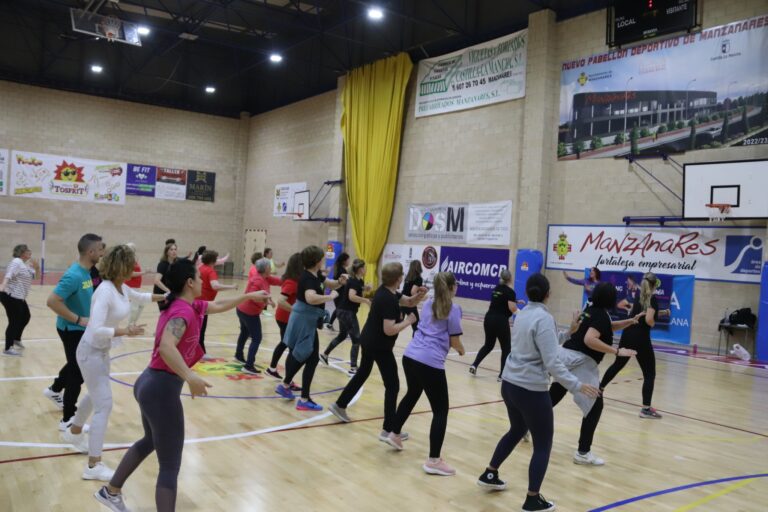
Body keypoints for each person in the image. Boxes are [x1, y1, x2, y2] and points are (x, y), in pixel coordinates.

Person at [94, 258, 268, 512]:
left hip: (150, 384)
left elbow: (218, 304)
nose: (202, 281)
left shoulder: (189, 305)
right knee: (170, 465)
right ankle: (114, 492)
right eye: (198, 277)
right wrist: (190, 376)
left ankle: (110, 491)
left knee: (150, 441)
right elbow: (166, 347)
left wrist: (249, 295)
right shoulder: (182, 311)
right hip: (161, 389)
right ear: (189, 282)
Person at [476, 274, 601, 512]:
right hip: (530, 389)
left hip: (509, 384)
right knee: (543, 444)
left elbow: (544, 345)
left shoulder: (522, 314)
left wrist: (569, 332)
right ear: (548, 294)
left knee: (516, 430)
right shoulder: (544, 318)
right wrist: (576, 384)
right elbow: (552, 362)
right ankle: (532, 499)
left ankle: (490, 474)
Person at [60, 245, 166, 481]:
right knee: (104, 405)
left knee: (95, 395)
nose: (134, 268)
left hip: (100, 352)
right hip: (90, 351)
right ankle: (93, 466)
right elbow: (96, 328)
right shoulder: (106, 291)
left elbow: (141, 297)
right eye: (131, 264)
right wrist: (125, 331)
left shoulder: (121, 286)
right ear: (121, 266)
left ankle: (74, 431)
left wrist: (169, 297)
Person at [327, 262, 426, 436]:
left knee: (363, 373)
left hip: (370, 341)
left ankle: (340, 404)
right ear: (398, 278)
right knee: (393, 385)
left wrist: (420, 295)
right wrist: (408, 322)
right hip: (379, 345)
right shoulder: (387, 299)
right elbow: (389, 329)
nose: (403, 277)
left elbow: (409, 302)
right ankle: (389, 430)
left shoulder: (389, 292)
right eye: (401, 275)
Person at [549, 282, 640, 467]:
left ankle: (524, 426)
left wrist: (629, 322)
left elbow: (606, 327)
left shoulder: (592, 310)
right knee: (595, 405)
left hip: (566, 356)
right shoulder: (599, 314)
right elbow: (590, 339)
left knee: (554, 395)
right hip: (580, 361)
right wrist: (616, 351)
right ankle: (583, 453)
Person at [384, 272, 465, 476]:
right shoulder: (453, 310)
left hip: (410, 356)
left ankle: (394, 432)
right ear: (453, 287)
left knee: (413, 393)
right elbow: (455, 342)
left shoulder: (428, 303)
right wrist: (462, 350)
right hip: (429, 362)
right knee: (440, 411)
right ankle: (434, 460)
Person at [275, 245, 347, 411]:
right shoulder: (307, 278)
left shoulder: (315, 275)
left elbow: (329, 283)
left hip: (306, 319)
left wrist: (339, 283)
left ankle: (287, 386)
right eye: (322, 258)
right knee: (306, 356)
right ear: (316, 261)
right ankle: (301, 397)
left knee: (308, 357)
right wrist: (330, 296)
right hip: (304, 321)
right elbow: (311, 297)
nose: (324, 260)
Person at [44, 233, 102, 429]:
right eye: (100, 249)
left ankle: (54, 389)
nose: (102, 253)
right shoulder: (74, 275)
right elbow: (52, 301)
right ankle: (68, 418)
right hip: (71, 329)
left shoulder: (90, 271)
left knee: (74, 364)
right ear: (90, 251)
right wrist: (78, 319)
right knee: (77, 373)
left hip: (81, 329)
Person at [600, 272, 668, 419]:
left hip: (627, 334)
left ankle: (599, 389)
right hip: (641, 338)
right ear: (654, 285)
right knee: (649, 374)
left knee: (617, 364)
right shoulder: (652, 299)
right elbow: (649, 319)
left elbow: (642, 314)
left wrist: (658, 313)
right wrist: (654, 320)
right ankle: (646, 409)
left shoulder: (638, 297)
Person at [470, 268, 525, 379]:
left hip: (489, 319)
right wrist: (524, 315)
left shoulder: (496, 289)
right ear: (510, 278)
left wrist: (516, 300)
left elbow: (501, 299)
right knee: (506, 347)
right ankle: (502, 375)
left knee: (488, 345)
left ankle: (474, 365)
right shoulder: (510, 292)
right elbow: (512, 308)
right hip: (500, 321)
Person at [320, 259, 370, 374]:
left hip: (342, 311)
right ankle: (353, 368)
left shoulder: (358, 281)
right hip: (347, 312)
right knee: (357, 339)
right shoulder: (353, 281)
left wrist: (365, 289)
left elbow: (358, 289)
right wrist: (366, 300)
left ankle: (324, 354)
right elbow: (352, 296)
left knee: (342, 335)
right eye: (364, 267)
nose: (365, 269)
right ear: (359, 269)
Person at [235, 258, 278, 373]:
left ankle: (238, 355)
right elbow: (252, 296)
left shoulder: (265, 278)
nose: (271, 268)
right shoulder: (258, 280)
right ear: (266, 268)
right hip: (248, 312)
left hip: (243, 309)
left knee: (244, 333)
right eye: (270, 266)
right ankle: (248, 366)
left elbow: (278, 281)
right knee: (257, 338)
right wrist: (267, 301)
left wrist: (291, 278)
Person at [265, 253, 301, 388]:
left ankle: (272, 368)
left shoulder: (294, 280)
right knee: (291, 348)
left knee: (285, 343)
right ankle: (288, 380)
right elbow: (281, 300)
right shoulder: (291, 282)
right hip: (285, 317)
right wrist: (295, 311)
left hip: (284, 317)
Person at [0, 244, 39, 356]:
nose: (30, 252)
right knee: (14, 321)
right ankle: (8, 348)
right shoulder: (17, 262)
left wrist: (37, 268)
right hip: (10, 295)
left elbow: (36, 277)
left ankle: (16, 338)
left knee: (26, 316)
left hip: (19, 297)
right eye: (27, 250)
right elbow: (9, 274)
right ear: (22, 253)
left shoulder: (25, 265)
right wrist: (3, 285)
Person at [197, 250, 237, 355]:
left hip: (196, 302)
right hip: (204, 304)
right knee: (201, 330)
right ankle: (200, 353)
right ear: (213, 261)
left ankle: (198, 351)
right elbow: (215, 286)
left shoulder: (200, 268)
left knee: (198, 329)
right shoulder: (210, 271)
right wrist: (231, 286)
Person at [124, 243, 148, 327]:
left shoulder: (133, 259)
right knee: (134, 307)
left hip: (136, 286)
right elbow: (130, 274)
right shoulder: (127, 260)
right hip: (131, 286)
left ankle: (133, 323)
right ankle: (130, 325)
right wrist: (144, 272)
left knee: (141, 304)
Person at [326, 252, 350, 330]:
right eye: (348, 260)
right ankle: (341, 328)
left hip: (338, 292)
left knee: (339, 309)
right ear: (344, 261)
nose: (349, 261)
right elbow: (344, 283)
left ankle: (330, 324)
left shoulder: (340, 269)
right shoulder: (342, 271)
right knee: (340, 309)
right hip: (339, 293)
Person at [401, 260, 424, 334]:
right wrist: (421, 297)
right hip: (409, 303)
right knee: (416, 327)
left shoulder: (408, 277)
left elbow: (408, 289)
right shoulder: (418, 278)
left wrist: (419, 289)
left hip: (401, 301)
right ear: (419, 267)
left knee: (397, 324)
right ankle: (416, 344)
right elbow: (412, 292)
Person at [153, 243, 176, 310]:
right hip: (161, 293)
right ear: (167, 252)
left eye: (175, 249)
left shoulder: (175, 264)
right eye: (171, 249)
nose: (174, 251)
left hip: (170, 293)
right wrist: (168, 291)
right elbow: (157, 281)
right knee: (165, 314)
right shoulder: (163, 264)